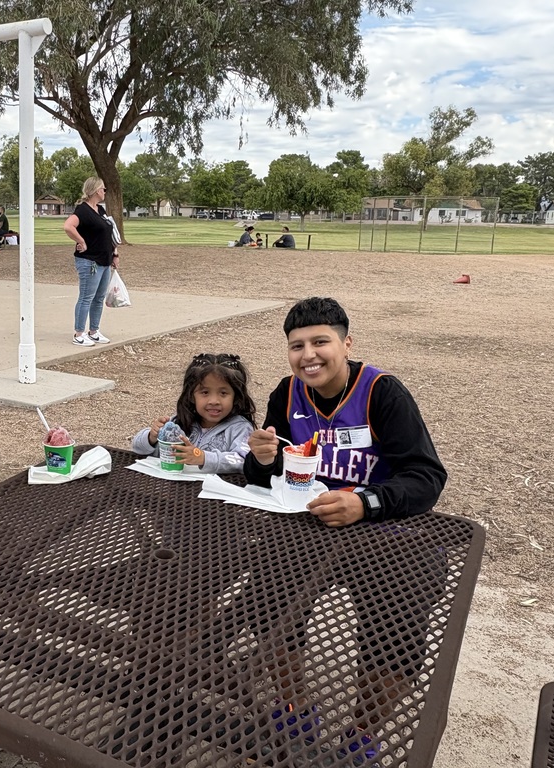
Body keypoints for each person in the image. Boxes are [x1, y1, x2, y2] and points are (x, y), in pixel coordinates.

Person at [243, 297, 448, 761]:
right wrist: (259, 460)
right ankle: (296, 708)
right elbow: (265, 475)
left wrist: (365, 501)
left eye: (321, 341)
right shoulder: (287, 394)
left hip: (386, 533)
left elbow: (427, 477)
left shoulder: (382, 391)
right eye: (297, 346)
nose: (308, 355)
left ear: (346, 342)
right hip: (308, 528)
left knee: (396, 634)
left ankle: (363, 732)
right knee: (266, 605)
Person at [132, 353, 256, 473]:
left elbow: (244, 460)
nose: (214, 401)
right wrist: (151, 437)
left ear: (236, 397)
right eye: (205, 392)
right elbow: (138, 448)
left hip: (212, 491)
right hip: (171, 489)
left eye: (223, 393)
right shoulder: (180, 422)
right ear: (191, 395)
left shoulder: (241, 429)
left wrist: (203, 458)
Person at [62, 176, 119, 346]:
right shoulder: (83, 210)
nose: (105, 192)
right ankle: (79, 333)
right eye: (103, 189)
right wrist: (81, 241)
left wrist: (115, 253)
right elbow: (68, 226)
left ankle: (94, 331)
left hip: (104, 260)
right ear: (95, 191)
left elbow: (108, 233)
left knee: (99, 297)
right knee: (86, 297)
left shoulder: (100, 210)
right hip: (89, 262)